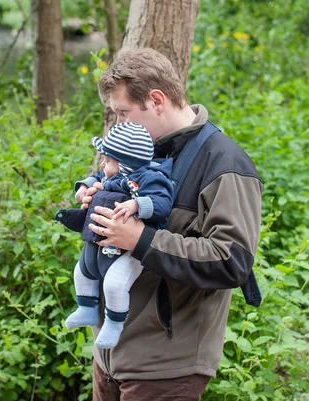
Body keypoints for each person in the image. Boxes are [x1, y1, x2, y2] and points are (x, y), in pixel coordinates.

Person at [78, 48, 263, 401]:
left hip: (166, 368)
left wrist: (141, 238)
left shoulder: (224, 163)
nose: (118, 126)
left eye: (123, 114)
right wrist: (97, 204)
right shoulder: (139, 152)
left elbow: (231, 261)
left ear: (157, 100)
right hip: (110, 357)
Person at [59, 122, 174, 349]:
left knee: (115, 283)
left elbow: (163, 202)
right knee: (82, 271)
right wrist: (84, 187)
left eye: (108, 160)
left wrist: (136, 204)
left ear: (124, 165)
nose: (103, 164)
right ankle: (87, 307)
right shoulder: (111, 175)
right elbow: (98, 176)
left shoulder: (150, 179)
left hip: (132, 248)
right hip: (100, 240)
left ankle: (114, 322)